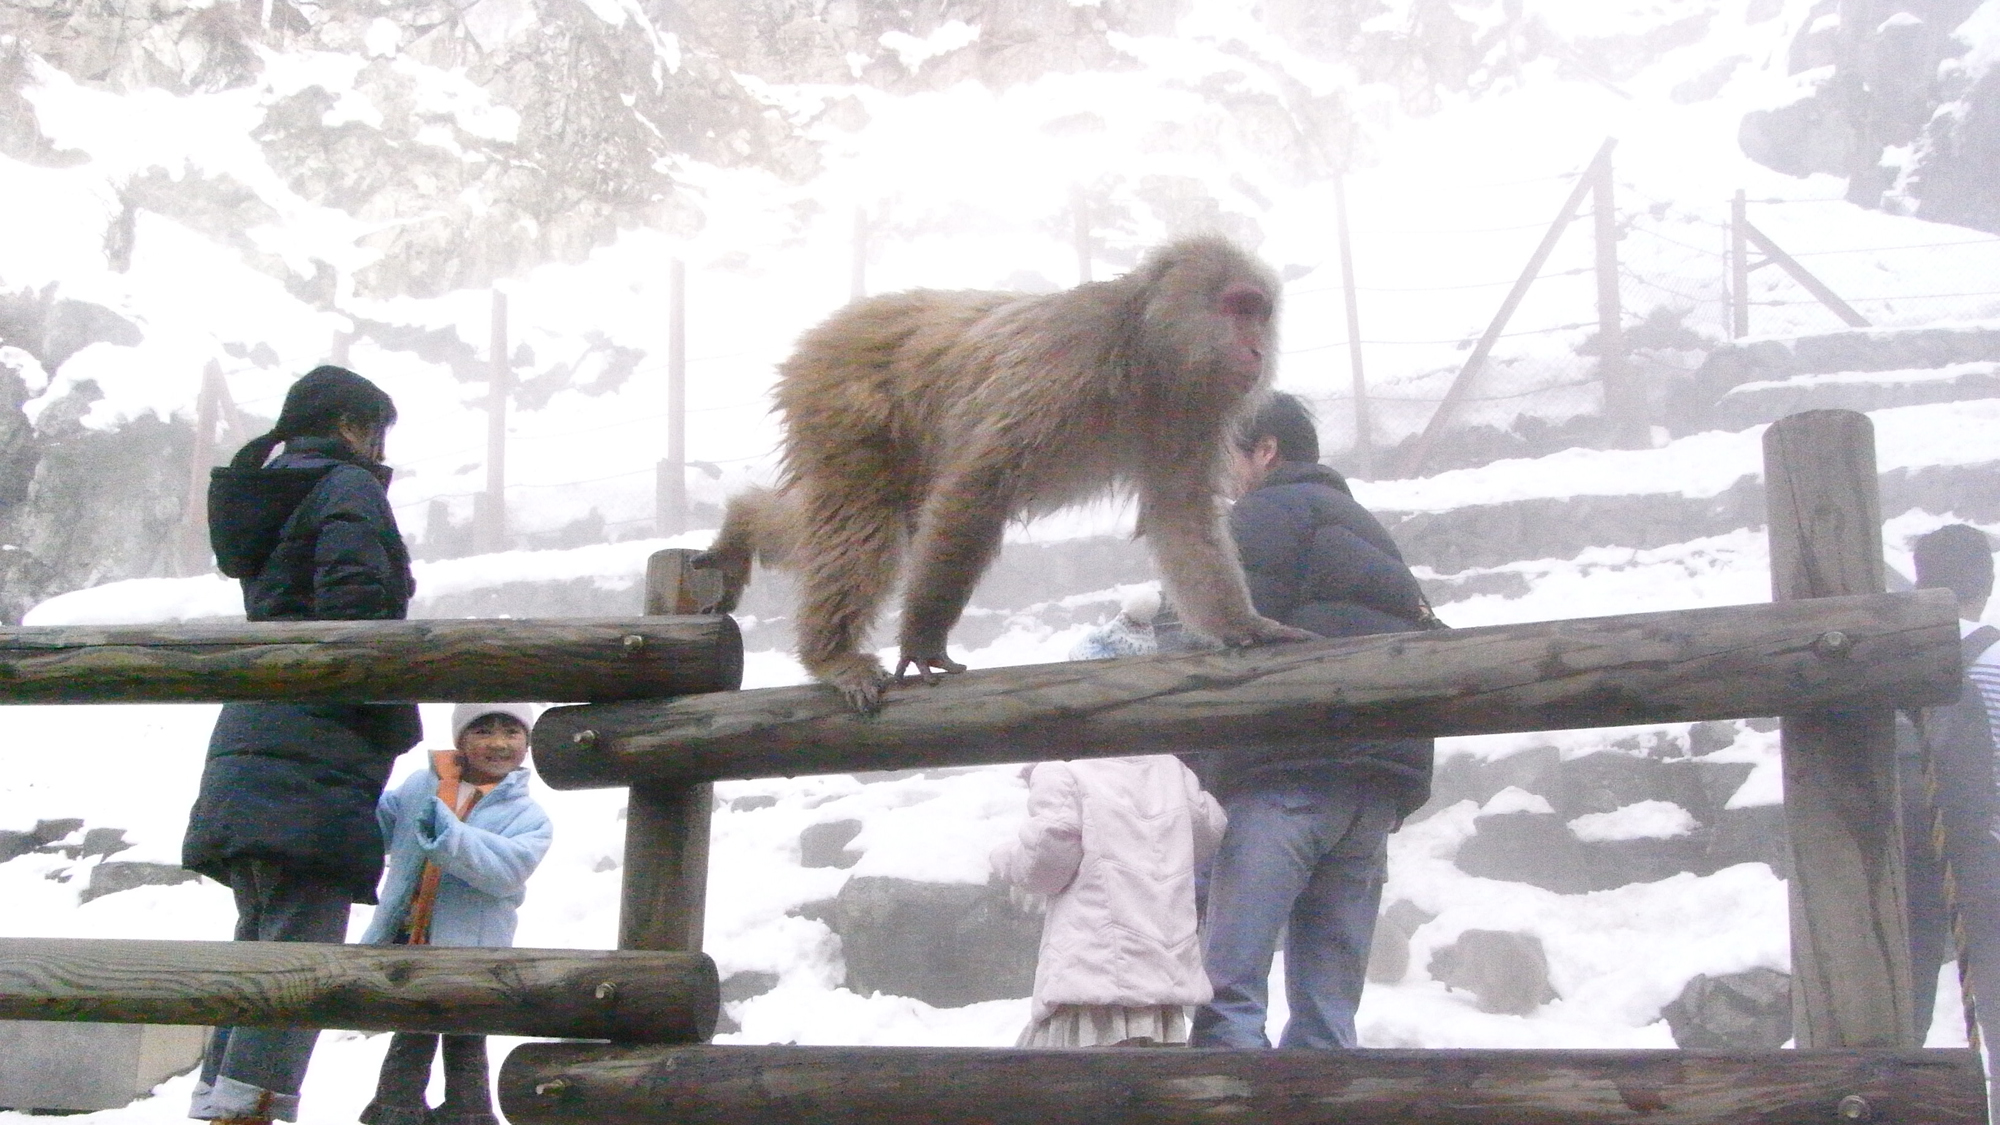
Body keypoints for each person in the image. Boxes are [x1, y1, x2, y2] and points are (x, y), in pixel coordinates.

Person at [182, 366, 419, 1125]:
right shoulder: (347, 489)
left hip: (253, 745)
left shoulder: (279, 489)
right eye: (374, 426)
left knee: (258, 951)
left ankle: (216, 1105)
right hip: (314, 753)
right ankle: (246, 1113)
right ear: (349, 424)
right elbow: (352, 618)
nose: (380, 444)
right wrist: (386, 706)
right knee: (299, 966)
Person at [1190, 391, 1437, 1050]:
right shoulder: (1364, 525)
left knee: (1229, 995)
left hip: (1285, 775)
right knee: (1328, 1012)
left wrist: (1189, 767)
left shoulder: (1262, 516)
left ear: (1265, 450)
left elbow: (1219, 646)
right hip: (1373, 791)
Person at [360, 703, 552, 1125]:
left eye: (511, 731)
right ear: (461, 739)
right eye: (483, 730)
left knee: (464, 1037)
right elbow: (375, 827)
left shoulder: (530, 817)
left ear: (528, 743)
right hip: (408, 939)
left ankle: (451, 1112)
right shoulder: (419, 785)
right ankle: (405, 1109)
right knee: (415, 1029)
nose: (499, 743)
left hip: (473, 951)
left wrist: (448, 835)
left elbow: (505, 872)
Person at [991, 752, 1227, 1047]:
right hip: (1160, 979)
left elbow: (1046, 863)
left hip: (1091, 975)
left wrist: (1002, 859)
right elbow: (1209, 828)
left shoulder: (1063, 770)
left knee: (1067, 1077)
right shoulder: (1170, 769)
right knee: (1153, 1076)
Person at [1902, 524, 2000, 1100]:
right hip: (1986, 859)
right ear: (1986, 582)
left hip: (1901, 861)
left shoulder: (1883, 662)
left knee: (1898, 1012)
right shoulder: (1994, 659)